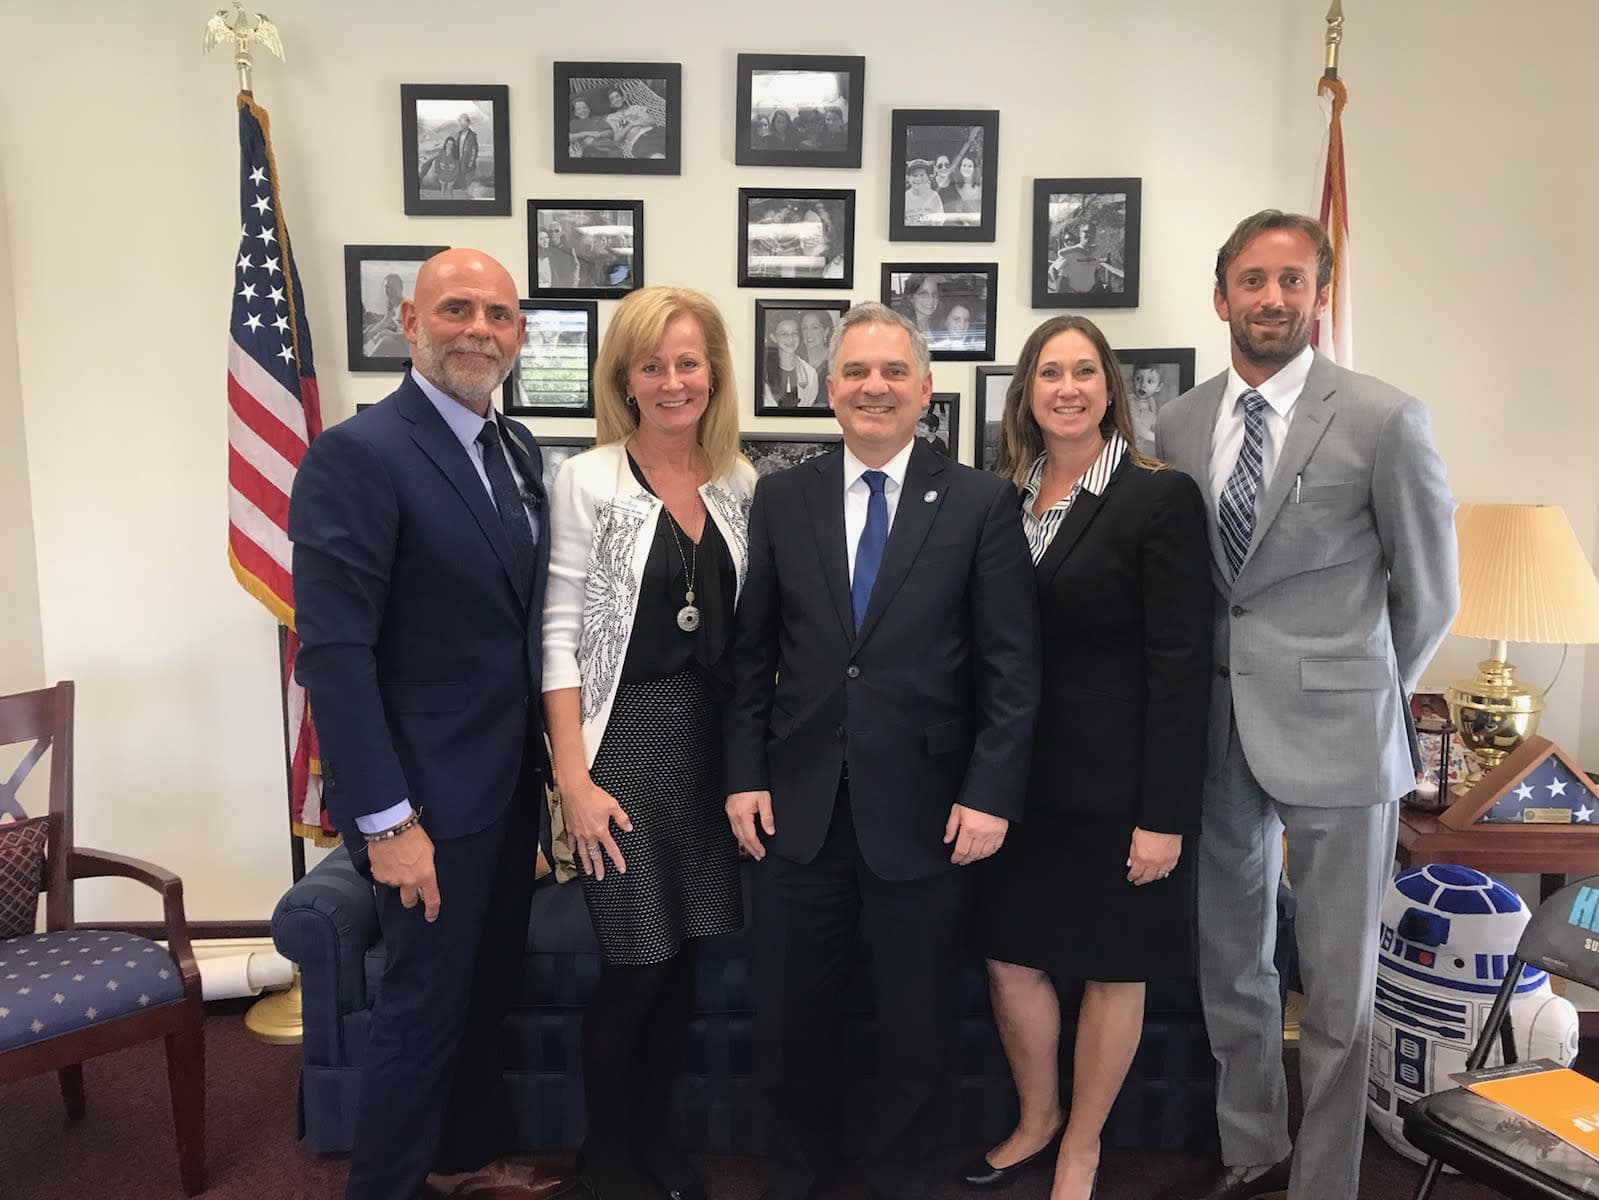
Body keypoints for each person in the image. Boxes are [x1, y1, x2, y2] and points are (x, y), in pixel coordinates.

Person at [1152, 210, 1457, 1200]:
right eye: (1252, 279)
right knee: (1232, 967)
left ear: (1320, 295)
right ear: (1221, 296)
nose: (1272, 297)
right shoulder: (1180, 423)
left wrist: (1368, 686)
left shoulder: (1383, 418)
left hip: (1342, 740)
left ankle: (1323, 1183)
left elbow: (1431, 591)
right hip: (1217, 736)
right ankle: (1253, 1154)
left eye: (1292, 280)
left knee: (1337, 987)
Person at [725, 301, 1042, 1200]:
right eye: (856, 373)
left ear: (924, 391)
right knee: (789, 1025)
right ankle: (794, 1180)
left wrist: (990, 793)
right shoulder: (782, 497)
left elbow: (1011, 670)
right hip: (797, 809)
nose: (874, 387)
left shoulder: (980, 502)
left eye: (893, 372)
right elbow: (752, 657)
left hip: (931, 812)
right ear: (829, 391)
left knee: (915, 1029)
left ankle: (902, 1180)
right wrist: (743, 775)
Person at [289, 249, 574, 1200]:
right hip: (421, 805)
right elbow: (334, 655)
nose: (479, 329)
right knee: (420, 1011)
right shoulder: (357, 454)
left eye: (498, 313)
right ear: (409, 322)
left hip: (502, 797)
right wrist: (387, 824)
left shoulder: (519, 450)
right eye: (457, 309)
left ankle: (459, 1166)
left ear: (519, 334)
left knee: (484, 996)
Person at [963, 316, 1212, 1200]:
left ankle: (1084, 1144)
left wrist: (1164, 815)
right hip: (1013, 784)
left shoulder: (1159, 497)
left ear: (1110, 387)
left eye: (1082, 372)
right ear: (1025, 393)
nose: (1066, 388)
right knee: (1009, 956)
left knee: (1113, 966)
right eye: (1047, 373)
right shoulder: (999, 496)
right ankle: (1037, 1118)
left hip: (1118, 791)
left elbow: (1182, 669)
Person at [543, 286, 755, 1200]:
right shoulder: (588, 478)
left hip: (711, 751)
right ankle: (607, 1161)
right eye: (651, 364)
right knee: (637, 965)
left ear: (713, 372)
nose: (672, 381)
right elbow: (556, 634)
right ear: (624, 379)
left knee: (683, 969)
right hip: (621, 744)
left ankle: (656, 1143)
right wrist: (571, 778)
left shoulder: (741, 481)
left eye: (688, 362)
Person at [763, 316, 821, 408]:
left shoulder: (810, 374)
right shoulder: (762, 371)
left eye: (794, 333)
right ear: (773, 337)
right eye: (784, 334)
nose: (791, 339)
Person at [361, 271, 408, 359]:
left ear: (400, 288)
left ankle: (368, 363)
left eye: (392, 288)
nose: (388, 291)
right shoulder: (393, 305)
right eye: (386, 287)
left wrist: (389, 334)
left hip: (409, 348)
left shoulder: (406, 307)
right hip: (400, 341)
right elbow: (386, 320)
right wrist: (370, 334)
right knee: (373, 329)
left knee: (385, 342)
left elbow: (410, 337)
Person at [1127, 363, 1163, 453]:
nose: (1143, 385)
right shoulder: (1129, 401)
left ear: (1158, 387)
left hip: (1140, 445)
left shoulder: (1151, 401)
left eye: (1149, 381)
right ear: (1132, 382)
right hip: (1126, 446)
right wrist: (1159, 439)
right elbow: (1138, 428)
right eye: (1138, 379)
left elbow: (1154, 422)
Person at [903, 159, 944, 226]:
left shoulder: (934, 196)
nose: (918, 179)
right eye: (914, 175)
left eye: (922, 175)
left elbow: (940, 222)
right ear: (908, 178)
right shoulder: (904, 197)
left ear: (927, 177)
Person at [798, 310, 832, 388]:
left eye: (814, 328)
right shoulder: (797, 358)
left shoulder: (835, 359)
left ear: (826, 331)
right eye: (804, 328)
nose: (808, 333)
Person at [545, 224, 581, 289]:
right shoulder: (546, 250)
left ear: (561, 233)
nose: (553, 233)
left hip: (568, 286)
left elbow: (576, 266)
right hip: (553, 286)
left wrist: (575, 282)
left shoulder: (569, 249)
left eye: (556, 231)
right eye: (551, 231)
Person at [456, 113, 480, 185]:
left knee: (467, 186)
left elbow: (474, 152)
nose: (462, 125)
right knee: (461, 185)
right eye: (460, 122)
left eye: (464, 123)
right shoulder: (458, 134)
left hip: (468, 167)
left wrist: (469, 165)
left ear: (468, 123)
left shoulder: (472, 136)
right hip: (459, 164)